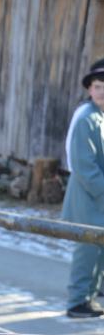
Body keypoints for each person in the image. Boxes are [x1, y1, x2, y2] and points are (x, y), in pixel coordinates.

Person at [63, 58, 104, 318]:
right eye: (98, 87)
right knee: (87, 249)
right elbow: (84, 166)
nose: (102, 92)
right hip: (88, 196)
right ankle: (77, 301)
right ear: (90, 89)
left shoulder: (100, 116)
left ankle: (90, 296)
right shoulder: (86, 119)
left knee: (99, 249)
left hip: (99, 196)